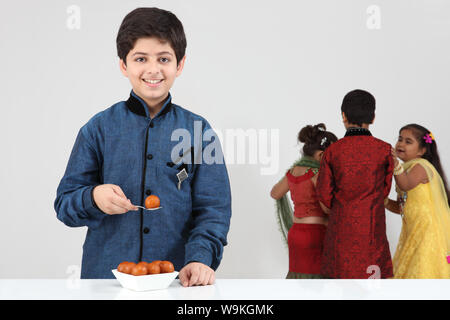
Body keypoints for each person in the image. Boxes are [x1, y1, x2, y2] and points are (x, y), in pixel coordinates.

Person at [54, 7, 232, 286]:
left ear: (180, 64)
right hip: (105, 283)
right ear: (123, 65)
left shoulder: (200, 132)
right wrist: (94, 197)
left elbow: (214, 209)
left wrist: (200, 258)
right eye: (140, 58)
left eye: (164, 58)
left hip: (178, 282)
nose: (153, 69)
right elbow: (64, 204)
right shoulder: (97, 129)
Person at [316, 89, 394, 279]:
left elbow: (325, 198)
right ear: (373, 117)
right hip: (372, 234)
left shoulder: (333, 152)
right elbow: (385, 192)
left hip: (340, 235)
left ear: (343, 116)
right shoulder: (384, 150)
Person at [271, 124, 337, 278]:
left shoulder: (293, 171)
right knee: (317, 280)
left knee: (298, 277)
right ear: (321, 156)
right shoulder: (318, 174)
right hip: (316, 234)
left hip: (296, 233)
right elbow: (326, 208)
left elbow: (275, 193)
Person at [385, 124, 450, 278]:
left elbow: (405, 184)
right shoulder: (406, 169)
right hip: (413, 231)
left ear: (422, 151)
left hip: (427, 233)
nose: (401, 144)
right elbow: (402, 207)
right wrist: (385, 202)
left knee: (422, 271)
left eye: (408, 142)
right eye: (400, 139)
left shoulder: (421, 167)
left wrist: (395, 165)